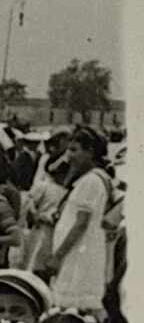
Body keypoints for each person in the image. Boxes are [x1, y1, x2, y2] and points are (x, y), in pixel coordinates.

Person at [47, 126, 113, 312]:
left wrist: (57, 257)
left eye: (74, 150)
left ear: (90, 152)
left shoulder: (91, 181)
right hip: (78, 252)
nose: (69, 156)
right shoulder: (87, 179)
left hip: (77, 254)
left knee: (73, 305)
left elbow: (81, 223)